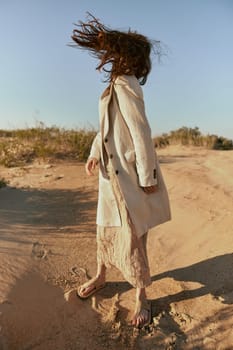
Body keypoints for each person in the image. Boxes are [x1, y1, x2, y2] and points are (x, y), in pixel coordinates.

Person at [71, 14, 171, 328]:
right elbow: (104, 129)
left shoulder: (127, 84)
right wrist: (93, 153)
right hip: (110, 177)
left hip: (129, 175)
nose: (110, 57)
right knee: (105, 228)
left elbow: (141, 132)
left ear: (128, 57)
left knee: (134, 235)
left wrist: (147, 177)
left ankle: (141, 295)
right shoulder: (116, 83)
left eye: (116, 53)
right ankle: (101, 275)